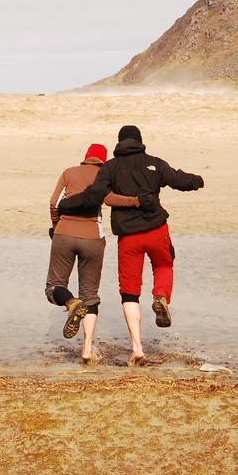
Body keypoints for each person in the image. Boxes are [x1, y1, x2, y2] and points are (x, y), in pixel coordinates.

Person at [56, 125, 203, 366]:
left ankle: (137, 348)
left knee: (130, 291)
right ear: (140, 141)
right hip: (157, 230)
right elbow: (177, 179)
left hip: (129, 238)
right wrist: (196, 181)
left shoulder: (111, 167)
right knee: (164, 265)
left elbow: (94, 196)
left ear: (119, 143)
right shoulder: (154, 162)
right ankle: (161, 296)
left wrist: (67, 204)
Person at [46, 143, 141, 365]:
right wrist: (136, 201)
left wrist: (56, 225)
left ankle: (70, 303)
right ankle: (87, 349)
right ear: (103, 161)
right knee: (90, 296)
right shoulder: (105, 175)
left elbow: (54, 203)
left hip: (64, 234)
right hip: (93, 238)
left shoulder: (69, 172)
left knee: (54, 287)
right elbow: (112, 199)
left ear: (85, 157)